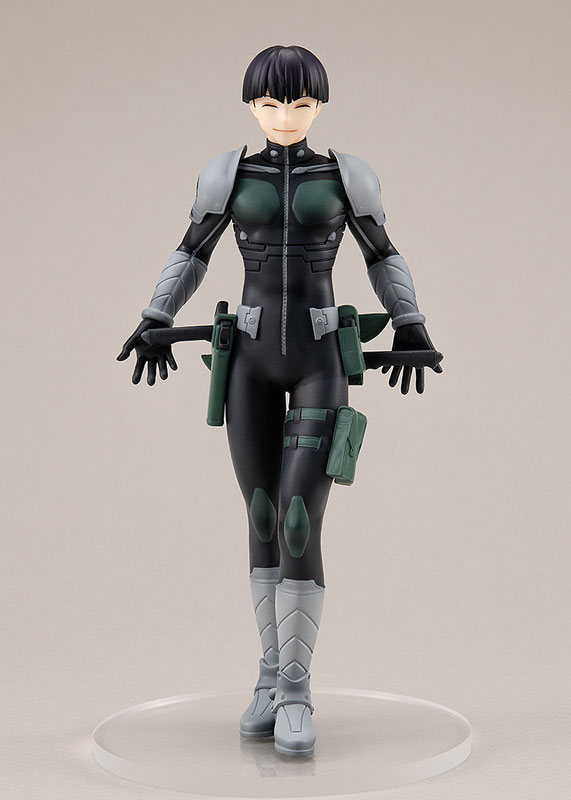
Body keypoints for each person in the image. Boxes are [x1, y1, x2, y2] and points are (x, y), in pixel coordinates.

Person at [118, 44, 442, 757]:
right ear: (250, 106)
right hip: (249, 359)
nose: (285, 116)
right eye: (269, 103)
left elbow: (382, 253)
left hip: (321, 358)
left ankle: (296, 689)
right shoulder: (226, 175)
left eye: (299, 103)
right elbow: (192, 251)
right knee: (263, 515)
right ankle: (268, 676)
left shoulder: (346, 176)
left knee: (299, 517)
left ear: (319, 105)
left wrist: (411, 320)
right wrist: (155, 314)